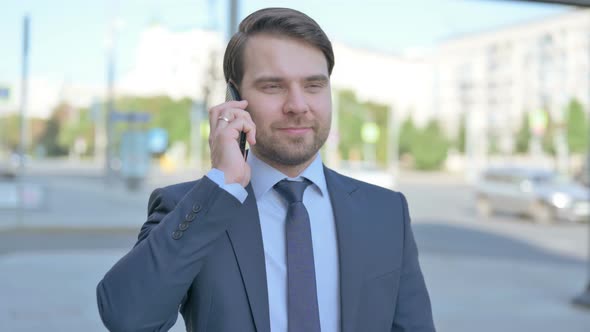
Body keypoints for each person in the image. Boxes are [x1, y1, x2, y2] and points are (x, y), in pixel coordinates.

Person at [96, 7, 434, 332]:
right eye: (273, 86)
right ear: (234, 95)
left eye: (314, 85)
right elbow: (128, 318)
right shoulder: (192, 207)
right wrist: (222, 184)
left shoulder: (386, 212)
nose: (298, 106)